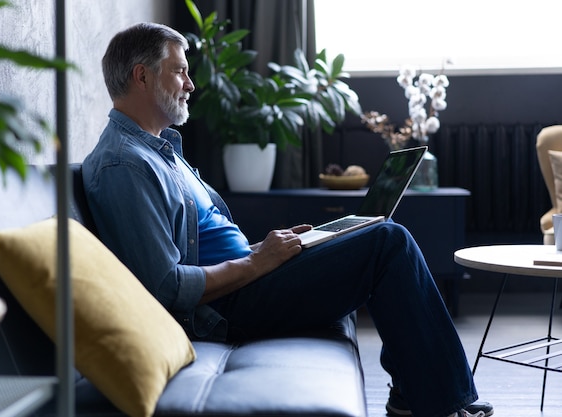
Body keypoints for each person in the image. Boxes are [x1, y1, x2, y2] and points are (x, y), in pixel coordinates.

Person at [82, 22, 494, 417]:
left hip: (246, 278)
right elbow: (165, 286)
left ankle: (411, 393)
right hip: (225, 309)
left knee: (371, 232)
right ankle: (439, 404)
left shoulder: (161, 150)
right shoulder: (125, 166)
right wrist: (257, 263)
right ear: (142, 77)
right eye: (180, 72)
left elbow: (202, 244)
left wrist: (265, 248)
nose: (190, 84)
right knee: (389, 242)